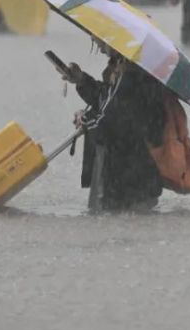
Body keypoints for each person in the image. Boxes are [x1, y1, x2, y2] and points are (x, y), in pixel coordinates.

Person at [56, 45, 165, 212]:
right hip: (129, 175)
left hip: (126, 177)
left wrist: (85, 119)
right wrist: (81, 80)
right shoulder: (123, 69)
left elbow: (111, 120)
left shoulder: (131, 75)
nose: (97, 44)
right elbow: (105, 99)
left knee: (112, 222)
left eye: (97, 39)